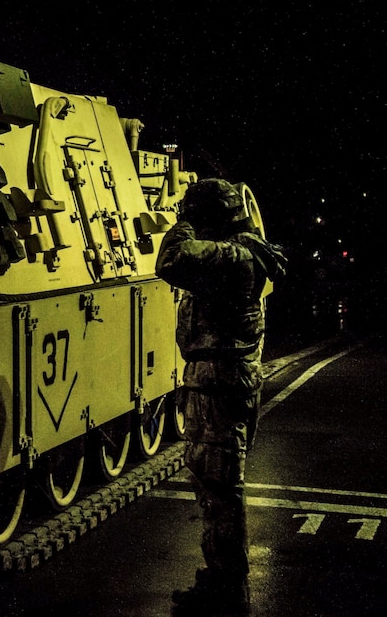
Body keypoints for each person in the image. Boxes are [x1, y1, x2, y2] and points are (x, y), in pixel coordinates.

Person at [156, 178, 287, 615]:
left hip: (218, 383)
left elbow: (171, 259)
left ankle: (228, 588)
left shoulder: (234, 256)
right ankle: (222, 578)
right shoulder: (246, 251)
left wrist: (184, 223)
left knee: (220, 486)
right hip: (224, 379)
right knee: (217, 485)